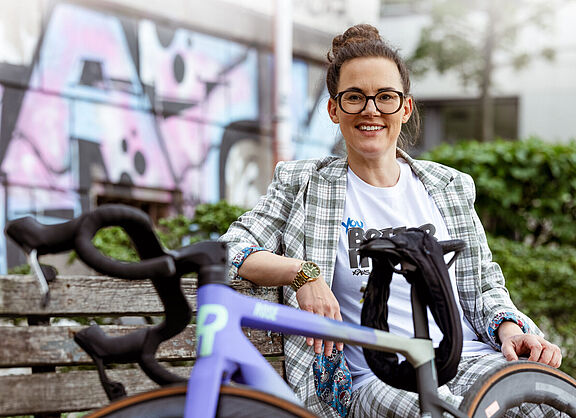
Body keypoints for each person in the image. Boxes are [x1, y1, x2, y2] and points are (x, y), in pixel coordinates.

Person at [220, 24, 563, 417]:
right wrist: (303, 274)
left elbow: (482, 284)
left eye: (385, 97)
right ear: (334, 109)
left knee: (547, 401)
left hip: (469, 358)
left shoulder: (447, 186)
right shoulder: (302, 184)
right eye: (354, 98)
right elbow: (231, 250)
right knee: (442, 413)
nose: (371, 110)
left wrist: (510, 330)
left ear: (405, 107)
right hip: (380, 378)